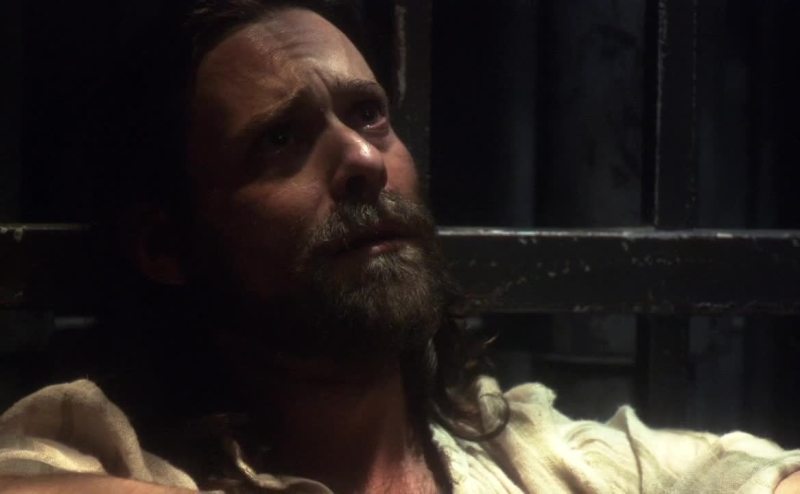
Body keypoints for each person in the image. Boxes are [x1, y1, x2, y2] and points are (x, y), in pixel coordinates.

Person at [1, 1, 800, 492]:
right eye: (280, 140)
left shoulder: (530, 454)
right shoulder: (101, 448)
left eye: (369, 114)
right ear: (165, 245)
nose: (362, 159)